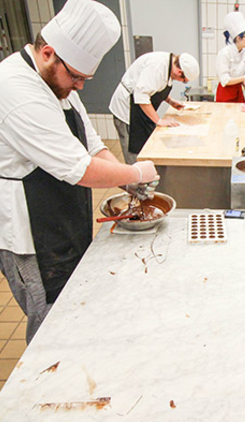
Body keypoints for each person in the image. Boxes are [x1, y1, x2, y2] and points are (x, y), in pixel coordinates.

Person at [0, 0, 159, 344]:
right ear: (47, 53)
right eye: (76, 77)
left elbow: (90, 145)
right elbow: (79, 168)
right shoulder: (17, 88)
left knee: (70, 309)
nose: (81, 87)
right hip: (33, 234)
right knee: (48, 321)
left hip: (61, 217)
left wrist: (121, 176)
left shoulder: (58, 82)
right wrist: (135, 172)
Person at [110, 51, 200, 164]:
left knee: (145, 150)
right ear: (179, 71)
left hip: (139, 111)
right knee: (134, 155)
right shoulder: (157, 68)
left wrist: (170, 101)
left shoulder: (169, 66)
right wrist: (159, 120)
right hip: (127, 112)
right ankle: (134, 180)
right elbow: (141, 95)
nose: (182, 82)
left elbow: (156, 87)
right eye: (184, 80)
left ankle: (146, 177)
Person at [215, 11, 245, 103]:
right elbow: (225, 81)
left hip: (238, 93)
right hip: (225, 94)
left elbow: (239, 75)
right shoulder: (224, 53)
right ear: (238, 38)